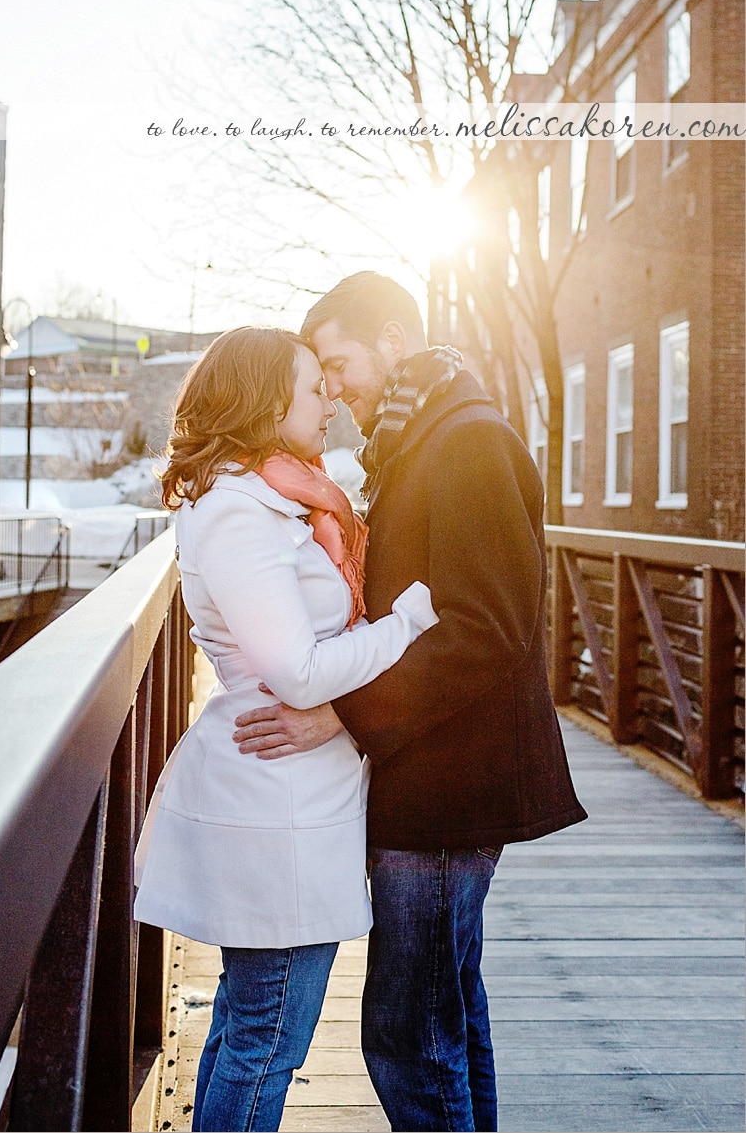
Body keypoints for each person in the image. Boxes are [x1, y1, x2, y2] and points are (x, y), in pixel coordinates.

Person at [233, 273, 588, 1133]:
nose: (333, 385)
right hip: (433, 779)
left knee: (408, 1031)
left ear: (393, 341)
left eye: (337, 361)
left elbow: (483, 627)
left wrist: (343, 713)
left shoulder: (467, 442)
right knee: (445, 1016)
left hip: (448, 790)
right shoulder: (423, 436)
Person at [133, 325, 438, 1133]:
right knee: (266, 1039)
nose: (330, 397)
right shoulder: (239, 511)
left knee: (248, 1024)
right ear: (268, 400)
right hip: (277, 809)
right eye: (313, 386)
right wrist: (407, 621)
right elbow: (296, 672)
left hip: (296, 799)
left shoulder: (278, 496)